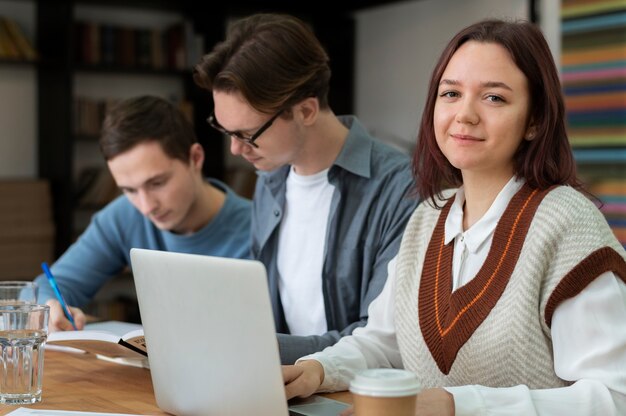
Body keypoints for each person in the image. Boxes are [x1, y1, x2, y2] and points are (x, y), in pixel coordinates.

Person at [283, 19, 626, 415]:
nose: (465, 115)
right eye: (451, 93)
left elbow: (614, 396)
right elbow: (385, 342)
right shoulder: (426, 218)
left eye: (494, 98)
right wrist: (318, 369)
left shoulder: (568, 225)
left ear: (534, 120)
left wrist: (458, 404)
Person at [193, 13, 418, 364]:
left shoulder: (401, 188)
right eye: (226, 131)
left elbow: (381, 339)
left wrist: (260, 348)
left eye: (247, 134)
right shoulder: (270, 181)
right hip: (278, 386)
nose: (236, 149)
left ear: (307, 110)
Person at [34, 95, 252, 332]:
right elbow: (43, 288)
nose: (146, 207)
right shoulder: (124, 217)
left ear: (195, 158)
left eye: (157, 183)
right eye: (129, 190)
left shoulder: (259, 231)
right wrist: (50, 306)